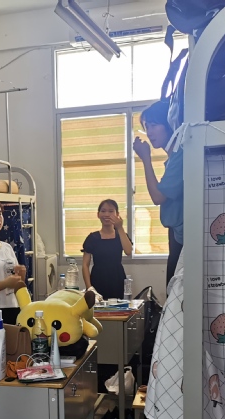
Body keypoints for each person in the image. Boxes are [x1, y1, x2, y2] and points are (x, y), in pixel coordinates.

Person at [132, 99, 183, 286]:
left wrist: (146, 158)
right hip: (177, 235)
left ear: (169, 124)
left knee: (175, 290)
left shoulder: (181, 155)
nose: (149, 132)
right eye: (146, 127)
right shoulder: (174, 158)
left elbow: (157, 196)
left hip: (185, 238)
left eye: (154, 125)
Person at [81, 199, 133, 300]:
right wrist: (89, 287)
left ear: (117, 214)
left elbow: (128, 251)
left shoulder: (121, 235)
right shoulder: (92, 238)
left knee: (117, 307)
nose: (107, 214)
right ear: (98, 214)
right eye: (103, 211)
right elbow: (85, 265)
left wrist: (120, 228)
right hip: (97, 279)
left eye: (111, 211)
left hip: (117, 279)